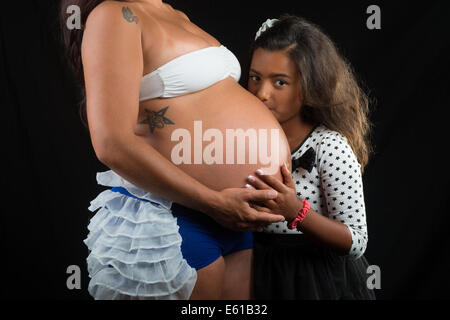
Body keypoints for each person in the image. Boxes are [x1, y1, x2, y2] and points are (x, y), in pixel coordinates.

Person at [60, 0, 292, 300]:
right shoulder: (115, 14)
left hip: (234, 220)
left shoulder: (173, 13)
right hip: (176, 217)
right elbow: (111, 144)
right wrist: (213, 202)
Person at [245, 15, 376, 299]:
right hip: (257, 273)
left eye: (279, 82)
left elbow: (356, 241)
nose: (261, 93)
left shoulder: (329, 147)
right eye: (255, 77)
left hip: (314, 281)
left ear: (309, 86)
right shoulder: (241, 141)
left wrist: (297, 212)